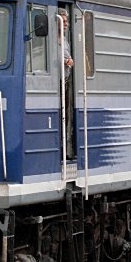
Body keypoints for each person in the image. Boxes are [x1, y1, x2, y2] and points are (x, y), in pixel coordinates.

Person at [58, 8, 75, 157]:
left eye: (66, 21)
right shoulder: (54, 40)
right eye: (63, 21)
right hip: (59, 81)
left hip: (66, 80)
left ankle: (67, 148)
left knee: (67, 114)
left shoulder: (64, 40)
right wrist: (66, 61)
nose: (66, 24)